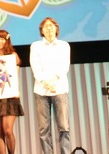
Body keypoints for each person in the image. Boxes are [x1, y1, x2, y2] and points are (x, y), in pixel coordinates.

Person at [29, 17, 71, 154]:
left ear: (56, 29)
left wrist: (53, 82)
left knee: (64, 127)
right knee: (44, 129)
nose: (49, 28)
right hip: (41, 91)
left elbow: (64, 66)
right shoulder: (36, 46)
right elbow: (35, 66)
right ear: (41, 31)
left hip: (60, 89)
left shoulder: (64, 45)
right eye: (46, 26)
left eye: (51, 26)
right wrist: (45, 83)